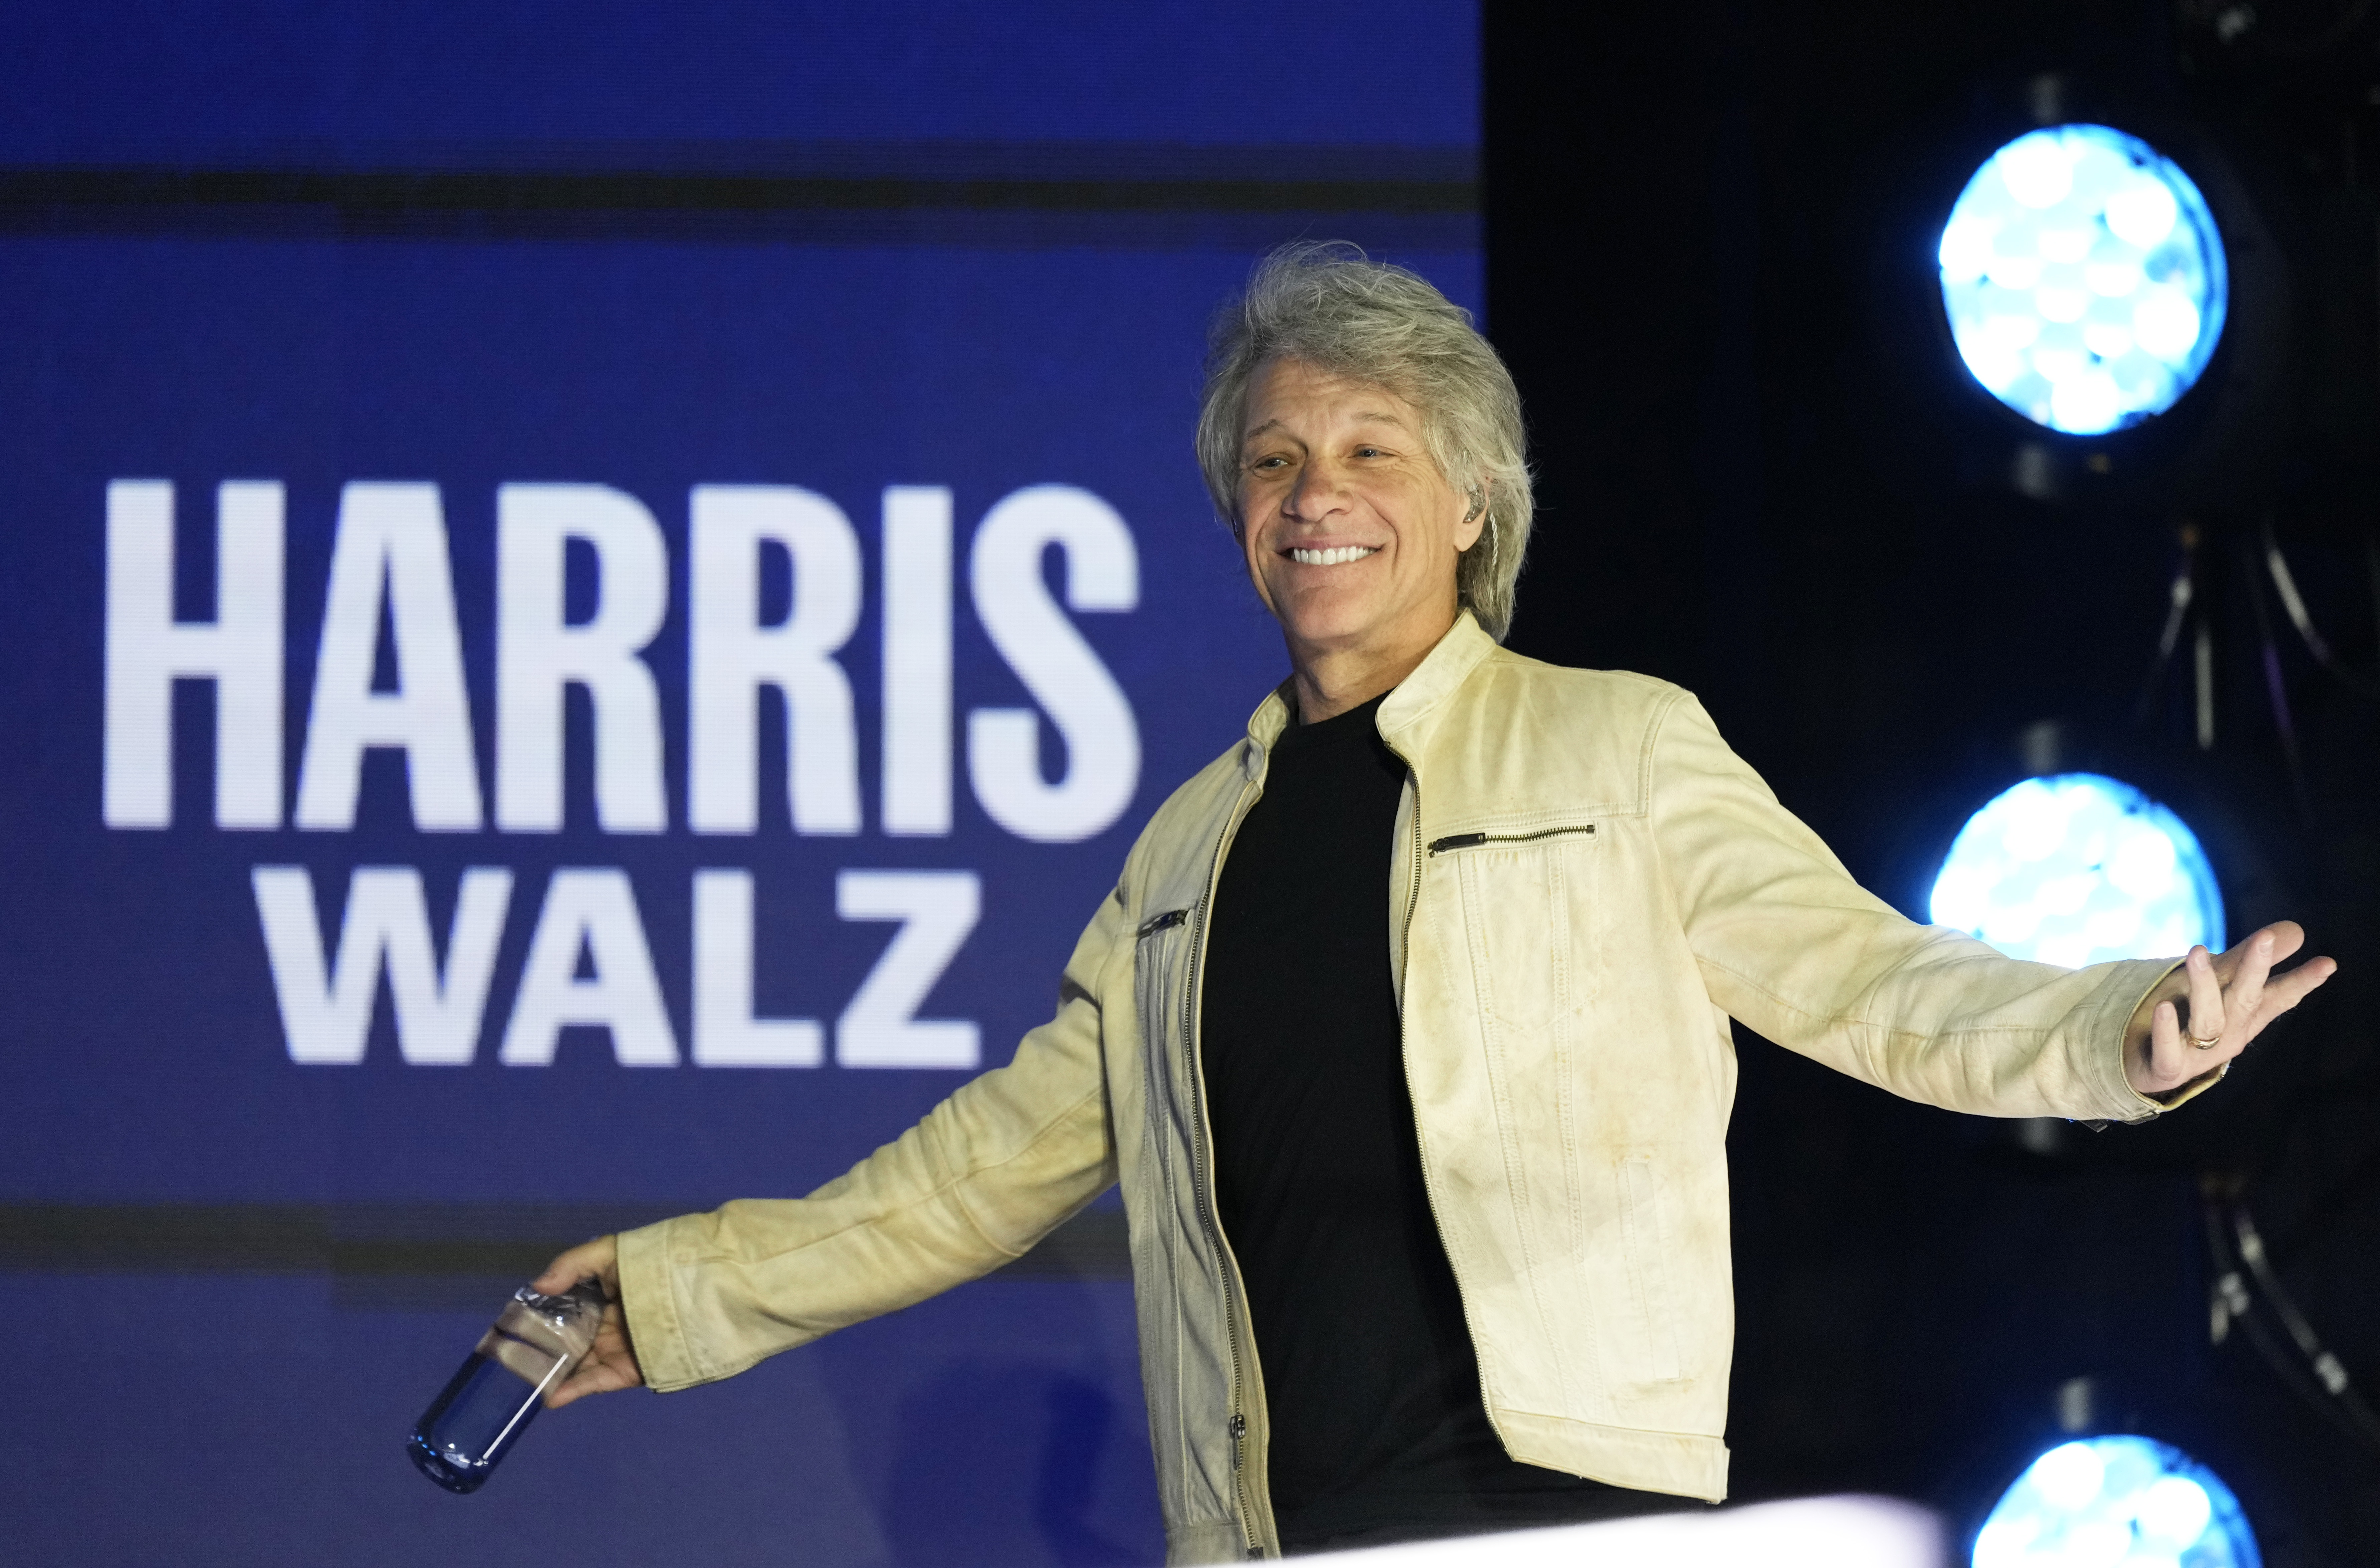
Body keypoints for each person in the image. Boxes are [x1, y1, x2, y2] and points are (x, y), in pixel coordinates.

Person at [533, 244, 2335, 1562]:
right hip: (1273, 1540)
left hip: (1558, 1517)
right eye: (1273, 461)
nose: (1315, 492)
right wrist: (688, 1293)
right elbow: (978, 1168)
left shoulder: (1615, 746)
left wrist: (2120, 1028)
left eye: (1371, 449)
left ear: (1474, 501)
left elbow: (1871, 978)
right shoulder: (1184, 855)